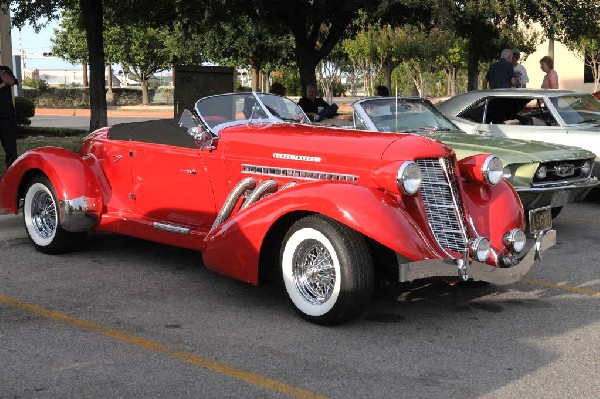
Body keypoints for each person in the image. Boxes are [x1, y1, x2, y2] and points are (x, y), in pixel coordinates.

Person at [0, 57, 18, 169]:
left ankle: (12, 175)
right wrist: (2, 85)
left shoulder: (5, 70)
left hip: (7, 117)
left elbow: (11, 81)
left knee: (11, 151)